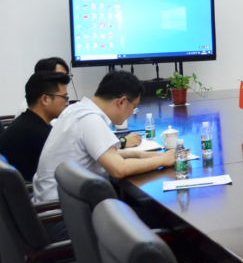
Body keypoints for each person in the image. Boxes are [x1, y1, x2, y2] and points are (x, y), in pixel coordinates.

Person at [32, 70, 175, 205]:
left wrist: (139, 155)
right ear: (121, 102)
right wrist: (162, 160)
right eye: (134, 107)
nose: (133, 113)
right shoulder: (91, 119)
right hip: (61, 212)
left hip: (52, 204)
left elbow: (98, 152)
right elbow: (119, 169)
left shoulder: (75, 110)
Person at [0, 72, 70, 181]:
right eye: (64, 97)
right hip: (31, 189)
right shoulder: (40, 134)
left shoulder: (24, 122)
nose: (67, 103)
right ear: (45, 99)